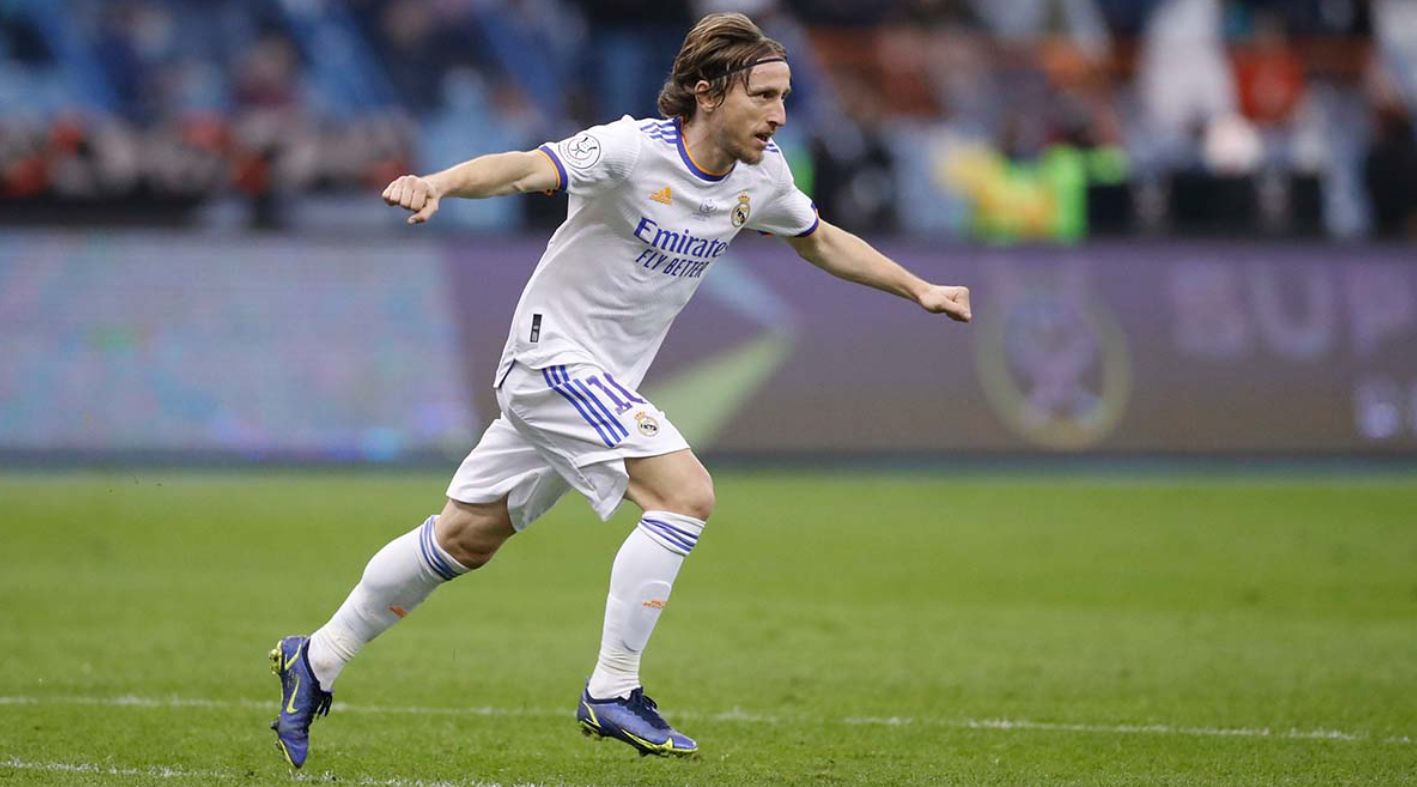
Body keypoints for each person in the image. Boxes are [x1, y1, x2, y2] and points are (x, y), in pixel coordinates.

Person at [268, 12, 971, 768]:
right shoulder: (630, 149)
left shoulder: (760, 178)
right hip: (552, 361)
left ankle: (319, 655)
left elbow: (821, 238)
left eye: (784, 97)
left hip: (593, 381)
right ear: (707, 92)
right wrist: (436, 181)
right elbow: (521, 167)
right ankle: (612, 687)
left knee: (464, 537)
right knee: (684, 494)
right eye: (763, 95)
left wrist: (918, 287)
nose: (778, 114)